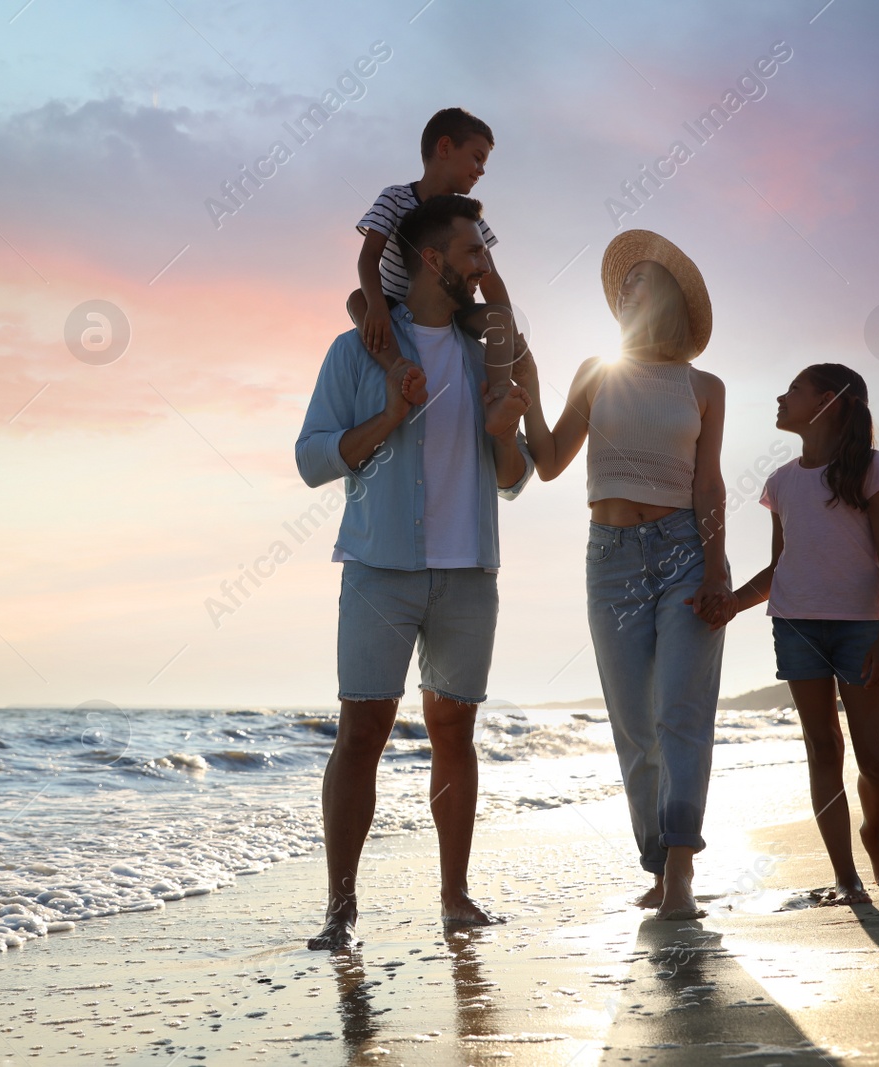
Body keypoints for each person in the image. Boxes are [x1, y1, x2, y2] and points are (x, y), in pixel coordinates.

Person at [296, 193, 533, 952]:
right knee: (361, 730)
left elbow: (515, 476)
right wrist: (391, 418)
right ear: (433, 259)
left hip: (469, 571)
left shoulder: (486, 351)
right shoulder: (357, 347)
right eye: (472, 253)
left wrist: (505, 437)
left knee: (454, 730)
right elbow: (310, 458)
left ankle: (455, 896)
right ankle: (340, 907)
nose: (483, 267)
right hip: (379, 566)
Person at [513, 230, 729, 921]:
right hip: (609, 555)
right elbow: (547, 460)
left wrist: (718, 563)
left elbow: (710, 484)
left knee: (681, 710)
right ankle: (658, 861)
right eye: (624, 281)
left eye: (641, 280)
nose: (626, 290)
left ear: (666, 294)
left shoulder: (704, 386)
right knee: (635, 721)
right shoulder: (596, 371)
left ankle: (682, 872)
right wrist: (528, 390)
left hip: (683, 552)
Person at [717, 364, 879, 904]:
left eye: (794, 390)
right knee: (823, 747)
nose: (781, 398)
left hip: (861, 630)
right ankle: (845, 874)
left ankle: (872, 831)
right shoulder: (780, 482)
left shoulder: (869, 468)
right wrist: (733, 603)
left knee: (876, 757)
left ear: (828, 401)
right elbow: (782, 564)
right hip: (796, 626)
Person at [348, 107, 525, 431]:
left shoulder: (470, 218)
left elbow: (490, 277)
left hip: (452, 308)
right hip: (395, 304)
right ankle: (400, 369)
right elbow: (368, 257)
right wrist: (376, 306)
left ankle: (498, 396)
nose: (481, 170)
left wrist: (508, 331)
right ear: (444, 148)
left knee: (501, 318)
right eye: (477, 158)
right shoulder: (395, 198)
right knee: (356, 300)